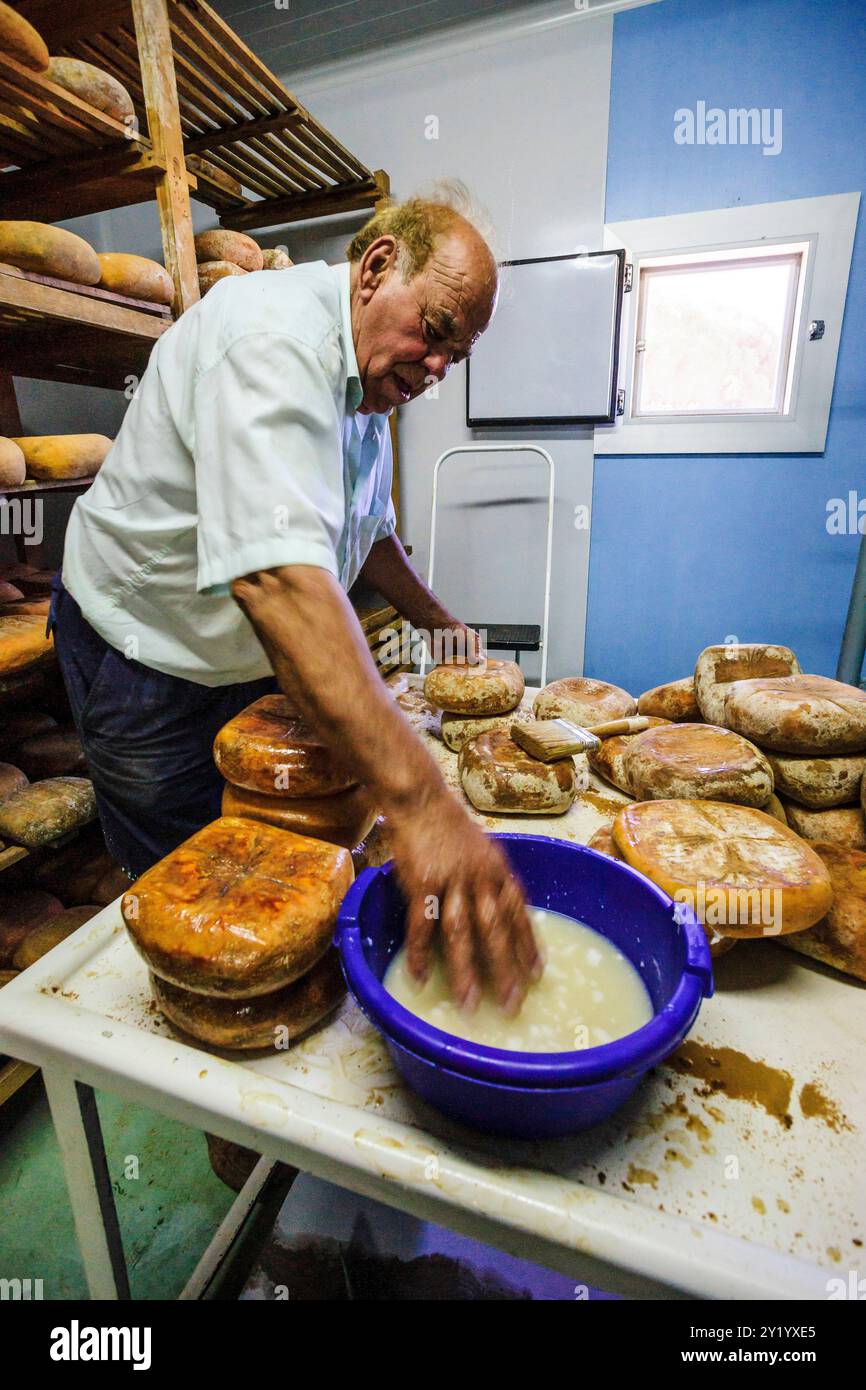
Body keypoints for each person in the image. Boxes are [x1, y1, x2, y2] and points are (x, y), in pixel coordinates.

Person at [50, 183, 539, 1015]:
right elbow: (280, 579)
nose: (436, 369)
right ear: (377, 267)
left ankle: (269, 1081)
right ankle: (220, 1117)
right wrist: (423, 804)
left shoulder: (365, 386)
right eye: (436, 334)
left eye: (456, 359)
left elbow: (367, 534)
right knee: (204, 926)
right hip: (145, 664)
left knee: (281, 890)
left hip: (245, 664)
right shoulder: (269, 338)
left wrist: (442, 626)